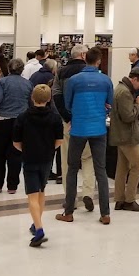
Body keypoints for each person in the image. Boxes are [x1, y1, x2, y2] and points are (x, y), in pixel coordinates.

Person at [56, 47, 113, 225]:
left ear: (84, 58)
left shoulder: (73, 80)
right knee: (100, 171)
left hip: (78, 128)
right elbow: (109, 103)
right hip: (98, 129)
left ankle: (69, 211)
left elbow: (68, 103)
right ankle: (105, 214)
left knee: (72, 168)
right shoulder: (106, 80)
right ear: (98, 61)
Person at [12, 85, 64, 247]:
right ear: (49, 99)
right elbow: (59, 141)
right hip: (47, 159)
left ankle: (39, 228)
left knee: (32, 195)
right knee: (41, 192)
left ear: (33, 98)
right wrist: (48, 150)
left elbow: (16, 142)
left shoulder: (23, 117)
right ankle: (37, 223)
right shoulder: (55, 118)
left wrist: (26, 150)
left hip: (29, 159)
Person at [53, 44, 94, 203]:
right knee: (88, 158)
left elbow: (56, 95)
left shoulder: (61, 72)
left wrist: (67, 117)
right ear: (83, 55)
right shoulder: (92, 72)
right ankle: (88, 194)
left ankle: (70, 198)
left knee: (68, 161)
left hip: (68, 123)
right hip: (87, 122)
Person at [0, 59, 32, 194]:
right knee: (16, 154)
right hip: (20, 122)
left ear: (9, 69)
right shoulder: (28, 84)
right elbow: (31, 103)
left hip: (1, 121)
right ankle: (12, 186)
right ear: (22, 69)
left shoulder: (2, 82)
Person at [110, 68, 139, 212]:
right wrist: (138, 104)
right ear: (134, 79)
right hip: (128, 136)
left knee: (122, 167)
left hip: (120, 135)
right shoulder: (125, 92)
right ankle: (129, 200)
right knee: (138, 166)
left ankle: (119, 199)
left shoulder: (120, 88)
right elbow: (128, 116)